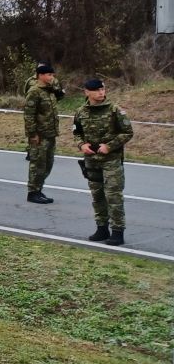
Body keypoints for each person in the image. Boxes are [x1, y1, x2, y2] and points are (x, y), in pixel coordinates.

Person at [72, 78, 133, 246]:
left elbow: (127, 132)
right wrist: (81, 145)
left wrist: (109, 146)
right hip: (92, 161)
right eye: (97, 90)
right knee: (97, 195)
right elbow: (76, 131)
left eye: (102, 89)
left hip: (111, 160)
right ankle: (102, 228)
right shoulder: (80, 112)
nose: (101, 92)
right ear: (87, 92)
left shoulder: (115, 110)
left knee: (113, 195)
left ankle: (117, 231)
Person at [24, 63, 64, 205]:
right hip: (39, 134)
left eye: (52, 75)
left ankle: (39, 189)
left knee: (48, 163)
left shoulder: (50, 90)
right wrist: (32, 134)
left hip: (50, 133)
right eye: (49, 75)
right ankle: (32, 192)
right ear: (41, 75)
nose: (51, 77)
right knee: (37, 163)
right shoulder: (34, 91)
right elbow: (29, 114)